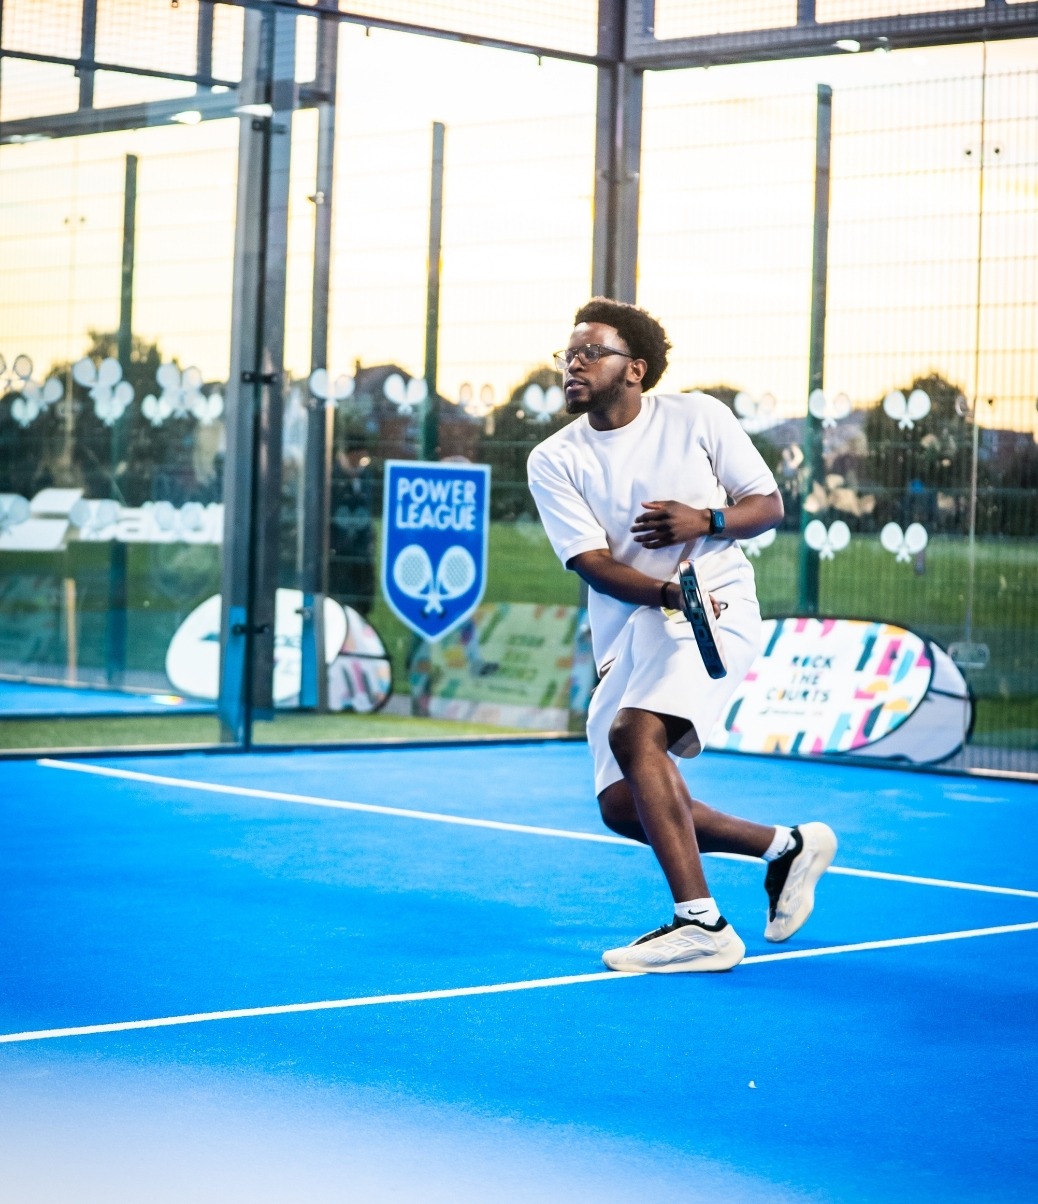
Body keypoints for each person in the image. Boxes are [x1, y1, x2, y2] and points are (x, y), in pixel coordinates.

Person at [527, 299, 836, 973]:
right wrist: (669, 592)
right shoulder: (554, 458)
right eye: (567, 356)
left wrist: (704, 520)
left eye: (590, 354)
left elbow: (767, 505)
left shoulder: (697, 417)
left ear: (634, 369)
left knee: (636, 734)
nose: (573, 365)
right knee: (619, 805)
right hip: (639, 620)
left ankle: (701, 925)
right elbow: (593, 565)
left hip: (716, 601)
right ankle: (786, 846)